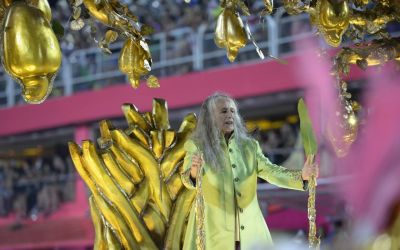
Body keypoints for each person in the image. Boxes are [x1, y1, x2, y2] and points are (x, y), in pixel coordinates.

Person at [180, 93, 318, 250]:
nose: (230, 115)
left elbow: (271, 171)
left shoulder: (250, 147)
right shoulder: (197, 146)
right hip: (212, 234)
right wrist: (193, 172)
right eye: (224, 111)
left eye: (233, 111)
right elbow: (186, 180)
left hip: (251, 233)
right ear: (210, 117)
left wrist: (302, 176)